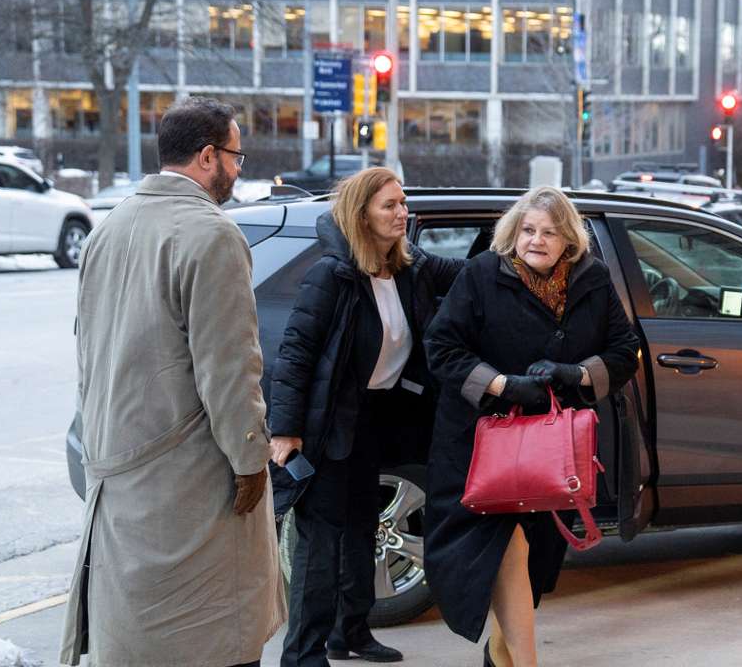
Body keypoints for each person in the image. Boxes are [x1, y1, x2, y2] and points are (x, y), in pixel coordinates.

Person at [61, 96, 285, 667]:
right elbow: (230, 371)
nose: (239, 170)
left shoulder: (107, 230)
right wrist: (249, 461)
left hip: (121, 480)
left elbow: (88, 356)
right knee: (215, 640)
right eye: (236, 156)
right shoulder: (211, 234)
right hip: (192, 489)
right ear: (208, 156)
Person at [423, 186, 640, 667]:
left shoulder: (593, 279)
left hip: (552, 448)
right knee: (508, 547)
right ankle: (525, 662)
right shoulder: (483, 273)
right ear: (512, 232)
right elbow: (441, 347)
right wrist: (501, 384)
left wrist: (577, 375)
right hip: (480, 446)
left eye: (549, 232)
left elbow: (625, 352)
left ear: (569, 240)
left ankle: (499, 655)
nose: (536, 240)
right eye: (527, 230)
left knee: (533, 557)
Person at [268, 167, 465, 667]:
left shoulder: (408, 267)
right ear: (361, 215)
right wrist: (285, 433)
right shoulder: (332, 276)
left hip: (374, 420)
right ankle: (303, 655)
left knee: (362, 528)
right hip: (328, 425)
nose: (402, 213)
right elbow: (295, 356)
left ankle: (350, 632)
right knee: (319, 544)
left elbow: (468, 274)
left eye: (402, 203)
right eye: (389, 205)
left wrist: (524, 252)